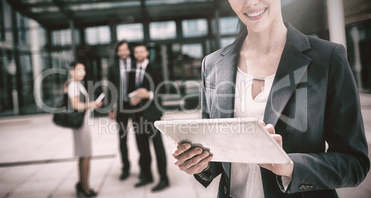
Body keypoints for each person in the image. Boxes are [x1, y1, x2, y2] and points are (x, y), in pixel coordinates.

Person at [171, 0, 370, 197]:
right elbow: (215, 150)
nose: (251, 2)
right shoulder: (213, 64)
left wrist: (291, 166)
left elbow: (354, 163)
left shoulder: (327, 58)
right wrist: (199, 163)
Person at [128, 43, 170, 192]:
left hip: (152, 114)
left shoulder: (155, 68)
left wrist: (149, 95)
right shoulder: (132, 71)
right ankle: (147, 176)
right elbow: (130, 90)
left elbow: (163, 88)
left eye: (141, 51)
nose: (139, 54)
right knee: (142, 147)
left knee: (158, 147)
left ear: (146, 53)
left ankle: (164, 179)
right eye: (136, 52)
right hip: (137, 114)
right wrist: (132, 98)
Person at [66, 61, 102, 197]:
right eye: (79, 70)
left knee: (84, 155)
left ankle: (83, 185)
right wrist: (92, 103)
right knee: (85, 155)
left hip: (84, 123)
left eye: (84, 69)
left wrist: (92, 105)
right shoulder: (73, 86)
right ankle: (84, 188)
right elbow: (76, 105)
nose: (83, 72)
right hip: (81, 125)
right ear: (71, 71)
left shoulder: (77, 85)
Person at [107, 40, 139, 181]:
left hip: (137, 106)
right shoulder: (112, 67)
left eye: (125, 50)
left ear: (129, 51)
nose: (123, 52)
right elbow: (110, 88)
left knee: (140, 138)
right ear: (117, 52)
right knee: (122, 139)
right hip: (121, 107)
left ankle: (143, 168)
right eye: (120, 50)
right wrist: (110, 107)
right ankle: (125, 168)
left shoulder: (136, 63)